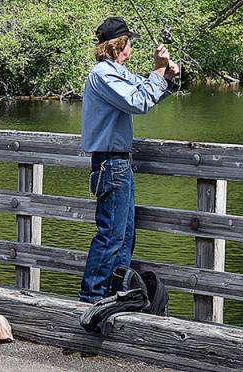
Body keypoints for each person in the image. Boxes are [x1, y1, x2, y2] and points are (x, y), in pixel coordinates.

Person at [78, 16, 179, 302]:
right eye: (130, 44)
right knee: (110, 235)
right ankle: (90, 298)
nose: (132, 49)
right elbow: (138, 102)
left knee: (125, 236)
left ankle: (115, 294)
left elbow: (145, 92)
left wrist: (166, 78)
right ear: (120, 45)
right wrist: (158, 72)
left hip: (120, 164)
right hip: (111, 164)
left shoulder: (118, 73)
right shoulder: (103, 75)